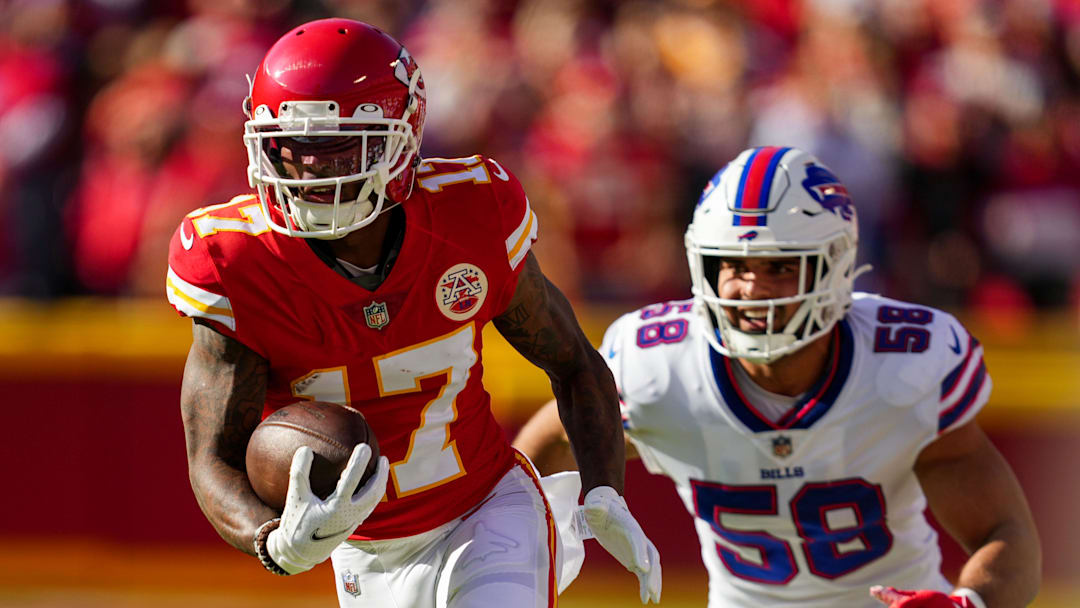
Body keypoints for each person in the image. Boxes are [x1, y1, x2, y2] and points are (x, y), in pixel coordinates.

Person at [165, 18, 661, 607]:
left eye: (338, 142)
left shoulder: (469, 213)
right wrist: (273, 541)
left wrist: (605, 492)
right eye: (291, 145)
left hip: (486, 509)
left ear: (401, 134)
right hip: (364, 551)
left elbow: (574, 364)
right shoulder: (238, 258)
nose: (313, 167)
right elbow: (212, 459)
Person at [513, 146, 1041, 608]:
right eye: (735, 265)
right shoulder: (657, 367)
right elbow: (546, 447)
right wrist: (511, 570)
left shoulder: (903, 366)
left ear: (833, 267)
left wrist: (968, 603)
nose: (752, 289)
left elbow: (1005, 533)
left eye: (780, 267)